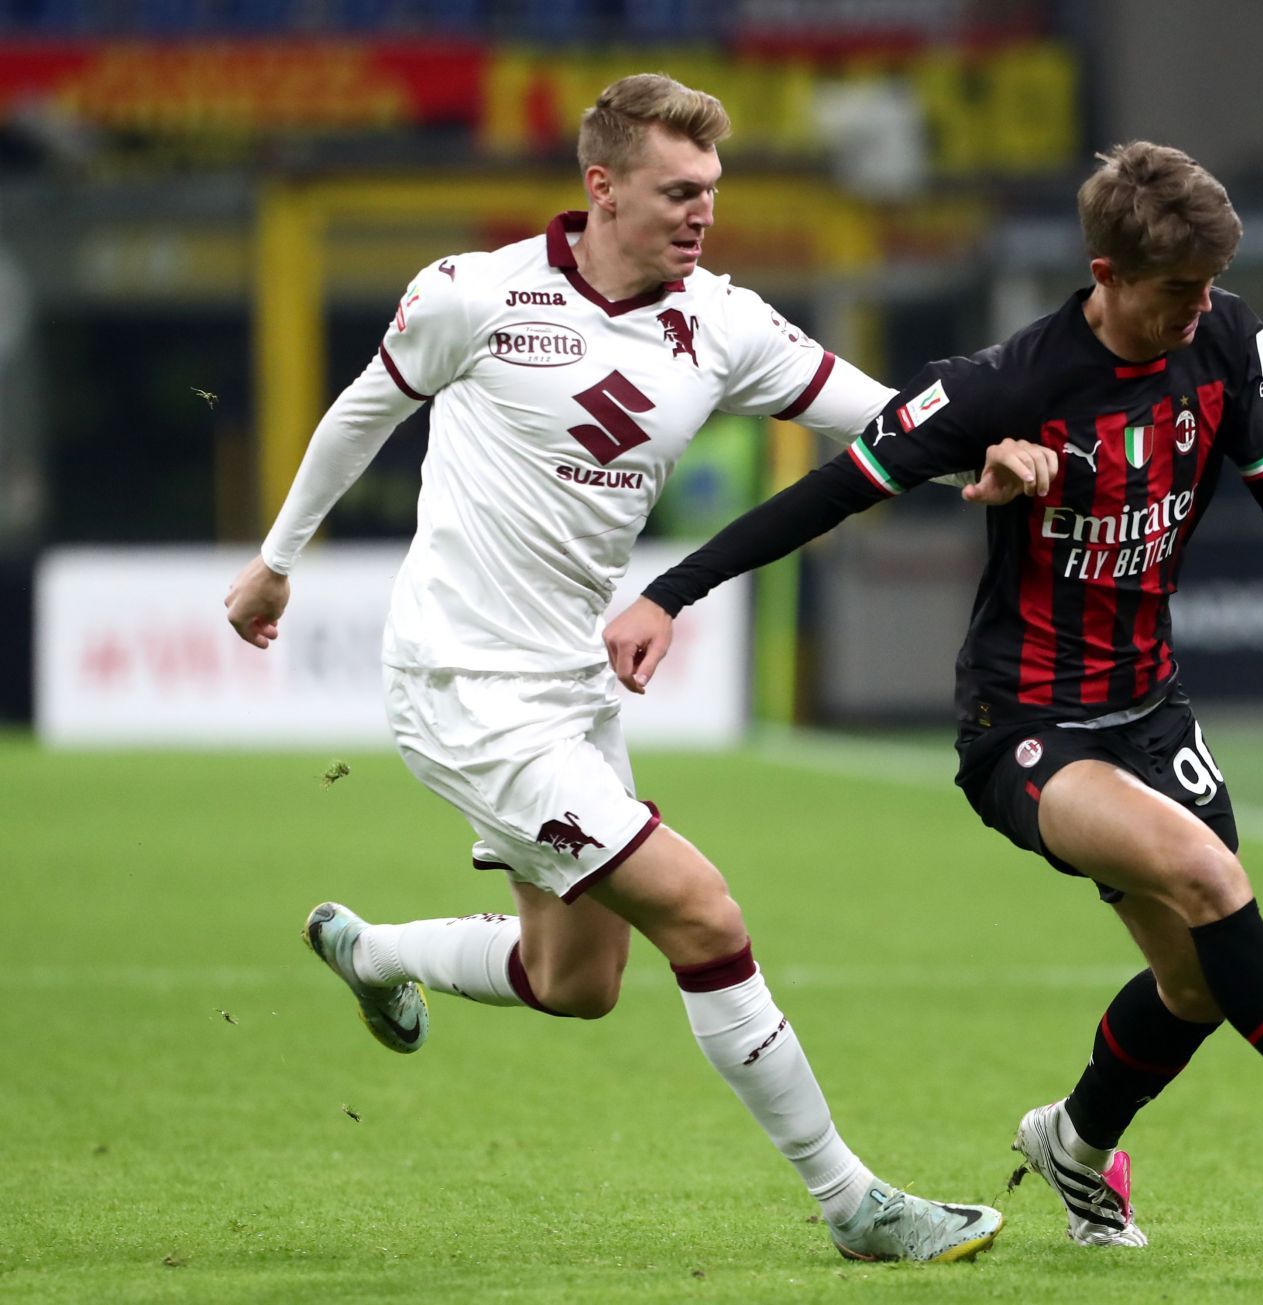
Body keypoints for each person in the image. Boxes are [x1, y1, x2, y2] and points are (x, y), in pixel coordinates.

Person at [223, 73, 1052, 1263]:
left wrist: (995, 446)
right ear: (601, 187)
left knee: (576, 981)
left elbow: (883, 417)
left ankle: (373, 951)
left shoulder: (726, 325)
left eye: (712, 191)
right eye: (678, 191)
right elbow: (362, 410)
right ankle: (854, 1204)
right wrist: (275, 561)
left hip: (571, 685)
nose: (701, 212)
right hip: (463, 686)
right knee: (702, 912)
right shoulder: (474, 294)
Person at [628, 141, 1263, 1247]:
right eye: (1178, 290)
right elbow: (830, 494)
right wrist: (669, 592)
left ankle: (1074, 1147)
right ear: (1105, 274)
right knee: (1208, 878)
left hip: (1150, 710)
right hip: (1026, 727)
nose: (1199, 309)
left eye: (1210, 285)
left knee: (1197, 987)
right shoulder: (1004, 385)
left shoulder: (1224, 331)